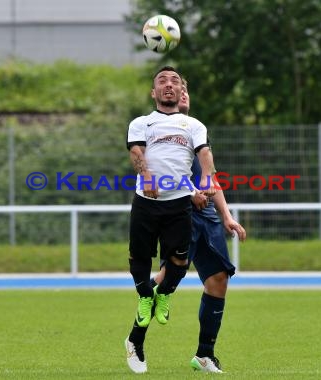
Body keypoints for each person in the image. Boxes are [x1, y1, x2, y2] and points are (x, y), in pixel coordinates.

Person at [125, 78, 247, 374]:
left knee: (219, 279)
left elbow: (211, 179)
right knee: (167, 279)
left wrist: (227, 216)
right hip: (178, 213)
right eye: (178, 90)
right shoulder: (159, 132)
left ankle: (205, 354)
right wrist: (188, 193)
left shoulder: (193, 132)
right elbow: (156, 171)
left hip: (207, 219)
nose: (183, 95)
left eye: (185, 90)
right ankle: (135, 337)